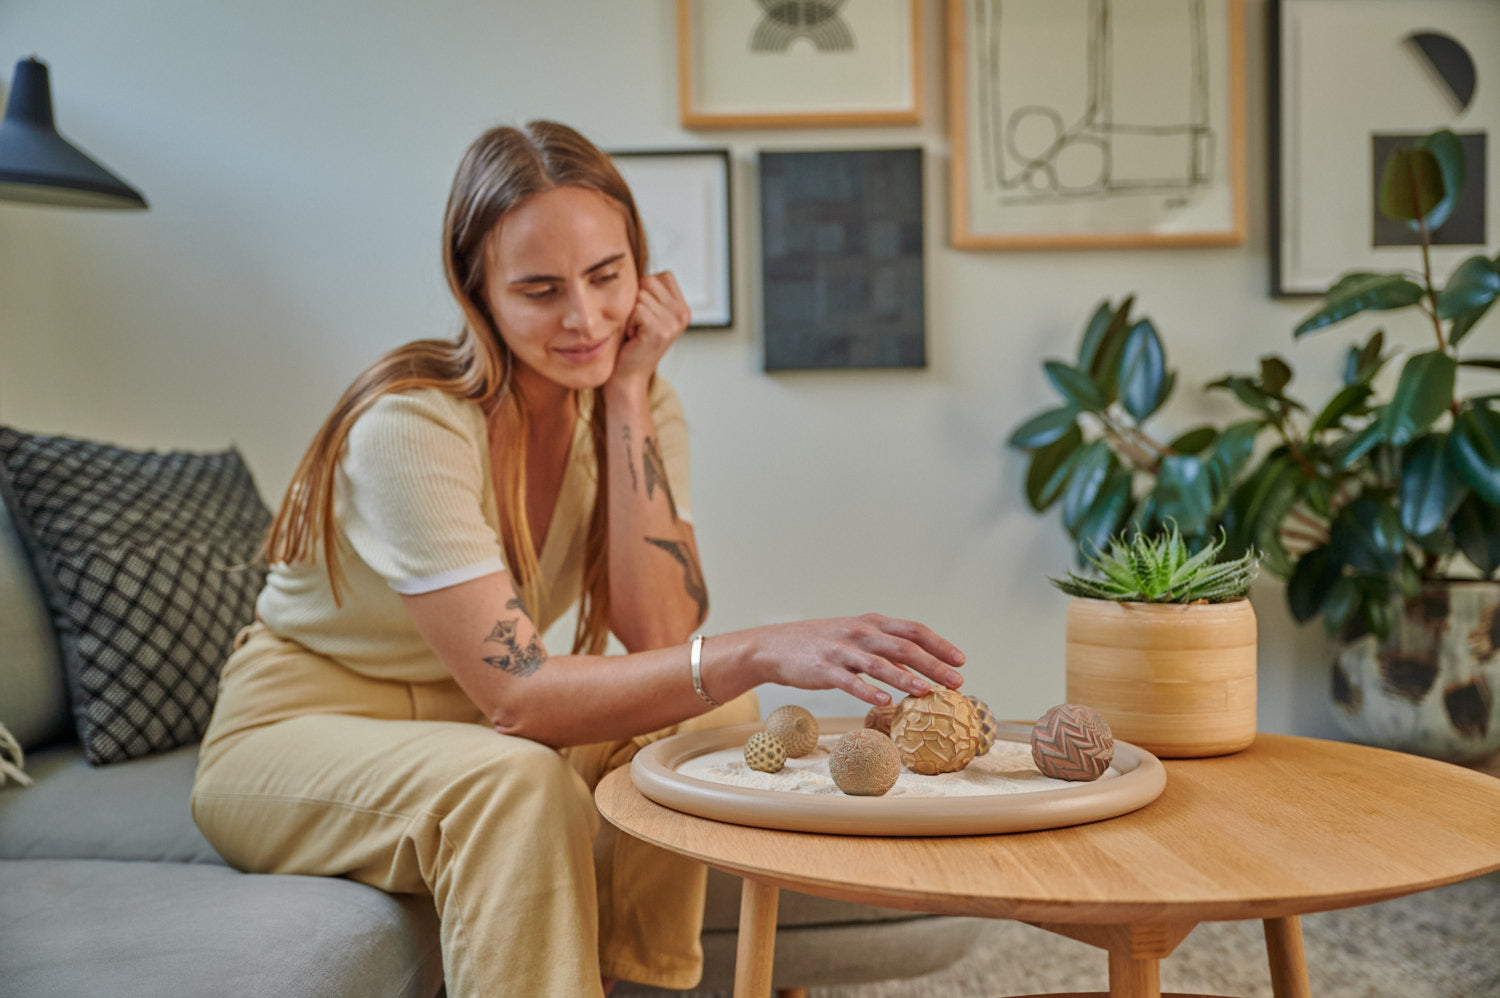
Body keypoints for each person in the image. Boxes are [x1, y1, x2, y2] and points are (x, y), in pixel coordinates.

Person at [190, 119, 966, 998]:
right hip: (298, 732)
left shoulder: (636, 403)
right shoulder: (412, 428)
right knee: (515, 781)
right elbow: (519, 698)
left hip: (466, 725)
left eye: (606, 277)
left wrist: (627, 393)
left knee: (706, 713)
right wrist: (764, 644)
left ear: (641, 267)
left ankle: (643, 986)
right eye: (539, 289)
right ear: (477, 290)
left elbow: (659, 630)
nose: (585, 319)